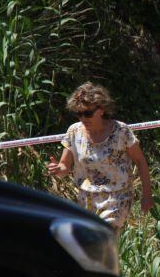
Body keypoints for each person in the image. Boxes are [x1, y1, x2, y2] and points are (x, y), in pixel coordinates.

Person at [47, 82, 153, 234]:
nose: (83, 118)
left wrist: (147, 195)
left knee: (103, 236)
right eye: (79, 114)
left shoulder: (121, 131)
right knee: (91, 248)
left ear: (101, 110)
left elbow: (140, 161)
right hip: (86, 199)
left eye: (88, 113)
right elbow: (65, 167)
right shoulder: (74, 131)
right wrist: (58, 169)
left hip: (117, 197)